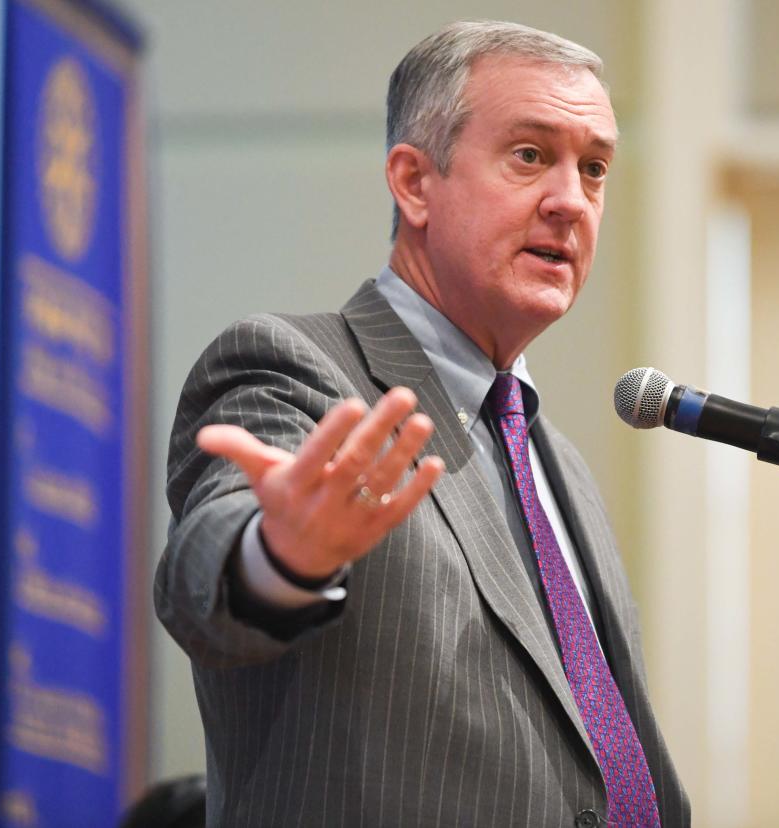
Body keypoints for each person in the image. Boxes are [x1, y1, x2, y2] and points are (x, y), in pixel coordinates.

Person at [156, 20, 689, 827]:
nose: (570, 200)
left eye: (595, 168)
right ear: (413, 182)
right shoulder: (296, 369)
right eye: (530, 155)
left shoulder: (560, 464)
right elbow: (207, 576)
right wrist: (278, 557)